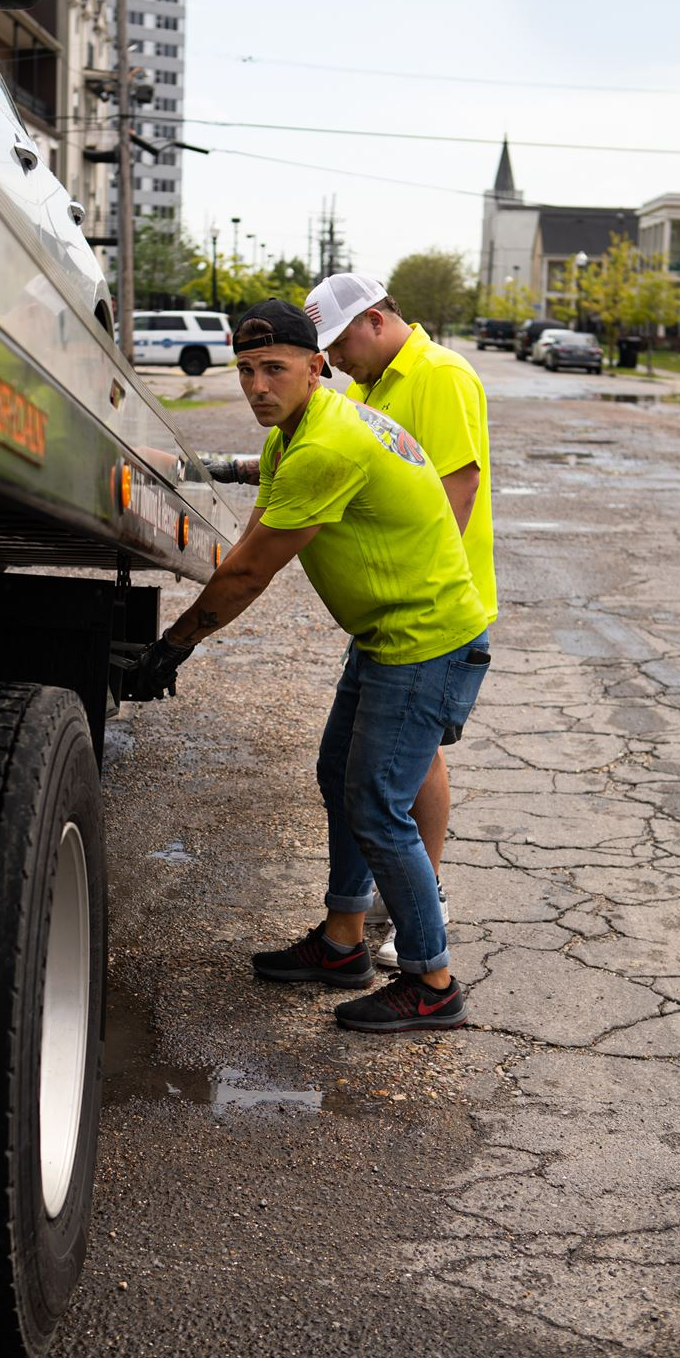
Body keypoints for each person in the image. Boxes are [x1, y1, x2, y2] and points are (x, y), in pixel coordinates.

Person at [134, 299, 490, 1033]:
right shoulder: (299, 436)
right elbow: (254, 531)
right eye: (246, 371)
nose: (258, 386)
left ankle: (433, 979)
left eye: (275, 369)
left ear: (316, 367)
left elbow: (247, 574)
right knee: (341, 777)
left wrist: (174, 644)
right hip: (389, 636)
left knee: (377, 804)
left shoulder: (327, 445)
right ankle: (342, 942)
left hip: (426, 642)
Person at [302, 273, 497, 968]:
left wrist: (417, 584)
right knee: (379, 765)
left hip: (433, 606)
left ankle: (425, 901)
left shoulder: (439, 373)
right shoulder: (368, 388)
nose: (335, 360)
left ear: (376, 320)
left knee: (403, 769)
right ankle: (355, 925)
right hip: (395, 610)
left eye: (339, 343)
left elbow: (459, 483)